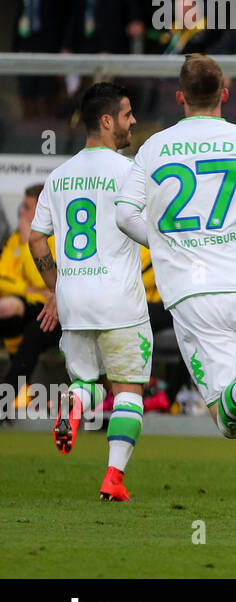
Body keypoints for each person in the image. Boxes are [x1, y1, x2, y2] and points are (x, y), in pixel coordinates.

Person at [115, 54, 236, 533]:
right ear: (225, 92)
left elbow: (123, 215)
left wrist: (164, 243)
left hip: (194, 293)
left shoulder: (155, 147)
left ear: (180, 97)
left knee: (227, 418)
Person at [27, 83, 151, 501]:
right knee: (128, 390)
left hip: (75, 301)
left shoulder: (59, 176)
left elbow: (36, 239)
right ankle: (113, 478)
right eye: (127, 113)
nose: (133, 121)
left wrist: (56, 289)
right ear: (106, 120)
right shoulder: (131, 171)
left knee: (88, 382)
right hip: (120, 300)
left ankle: (75, 403)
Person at [0, 184, 62, 411]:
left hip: (55, 310)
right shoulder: (16, 239)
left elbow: (44, 281)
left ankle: (4, 403)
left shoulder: (54, 236)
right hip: (29, 304)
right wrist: (25, 290)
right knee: (9, 311)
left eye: (26, 208)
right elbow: (2, 278)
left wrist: (30, 241)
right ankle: (13, 396)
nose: (20, 213)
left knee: (34, 333)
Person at [12, 0, 73, 116]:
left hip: (50, 40)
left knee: (48, 90)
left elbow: (67, 10)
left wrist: (65, 44)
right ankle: (28, 137)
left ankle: (48, 135)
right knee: (26, 89)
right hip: (26, 37)